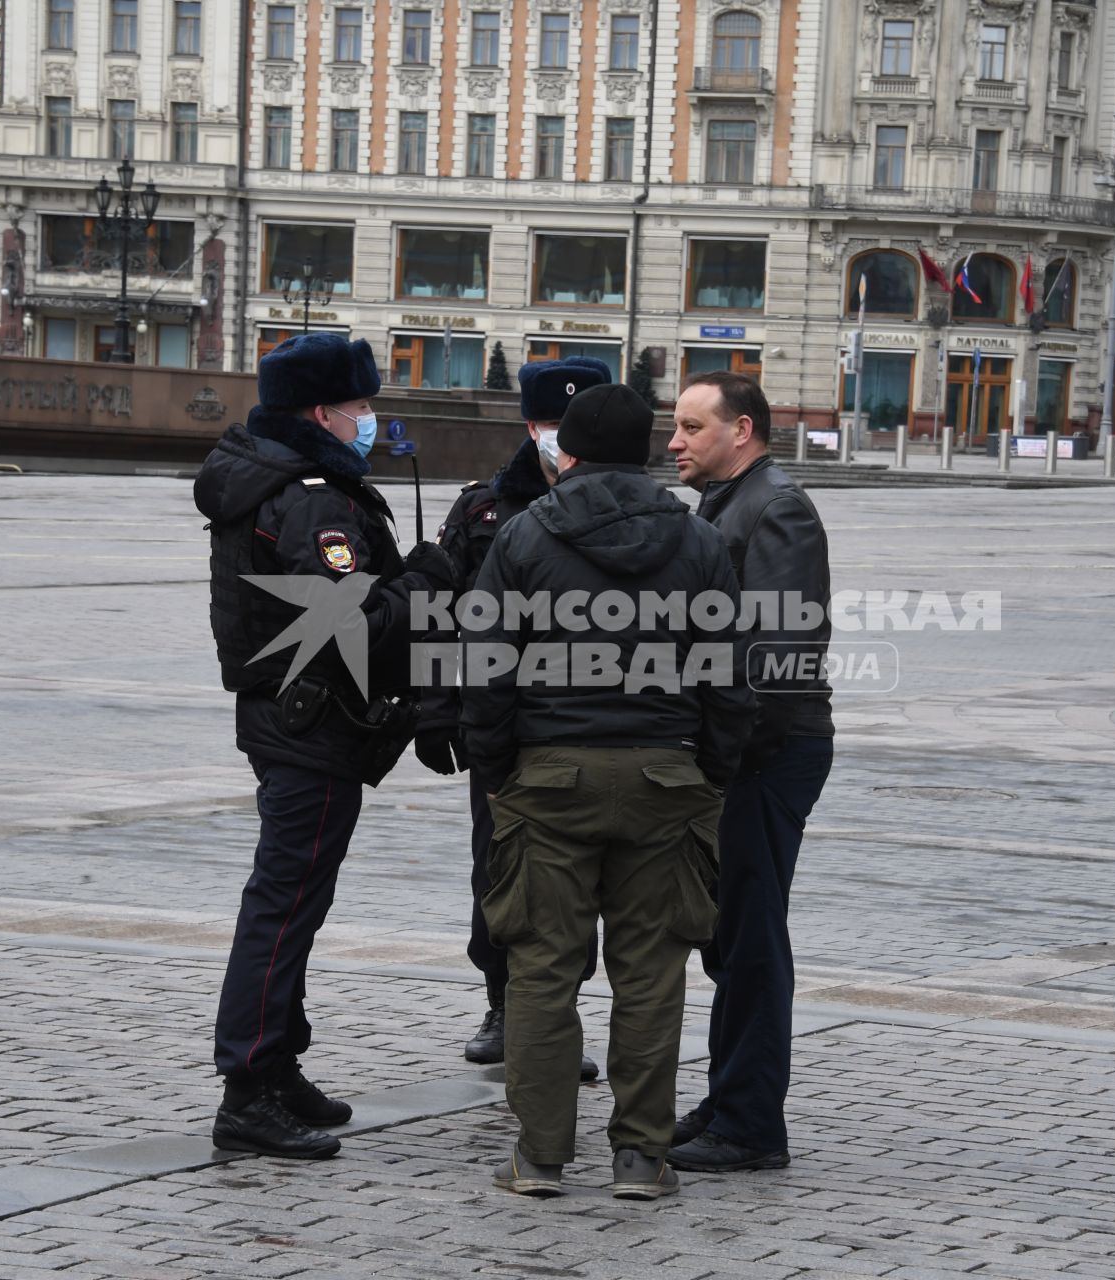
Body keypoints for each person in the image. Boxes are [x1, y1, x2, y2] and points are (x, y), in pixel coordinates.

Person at [461, 383, 756, 1200]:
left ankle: (542, 1157)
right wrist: (710, 773)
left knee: (542, 970)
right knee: (653, 973)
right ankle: (640, 1157)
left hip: (549, 773)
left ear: (573, 453)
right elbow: (730, 675)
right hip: (667, 774)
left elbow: (484, 668)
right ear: (647, 451)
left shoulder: (524, 533)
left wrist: (498, 772)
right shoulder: (696, 539)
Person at [194, 332, 456, 1161]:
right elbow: (347, 623)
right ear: (322, 412)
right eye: (362, 406)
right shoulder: (311, 496)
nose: (371, 421)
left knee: (293, 900)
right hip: (311, 725)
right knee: (282, 905)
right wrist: (422, 583)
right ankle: (249, 1090)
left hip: (295, 718)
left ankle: (277, 1067)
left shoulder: (283, 476)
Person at [415, 357, 612, 1078]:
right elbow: (441, 619)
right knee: (496, 871)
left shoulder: (626, 503)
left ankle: (557, 1015)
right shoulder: (481, 510)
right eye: (550, 424)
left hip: (582, 726)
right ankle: (501, 1003)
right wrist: (435, 713)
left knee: (577, 883)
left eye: (575, 423)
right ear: (530, 425)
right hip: (497, 729)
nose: (561, 438)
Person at [664, 371, 834, 1174]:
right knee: (730, 937)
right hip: (740, 750)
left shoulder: (777, 507)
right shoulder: (730, 503)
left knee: (753, 940)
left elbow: (780, 653)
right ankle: (730, 1096)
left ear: (743, 431)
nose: (675, 442)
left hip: (765, 754)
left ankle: (752, 1124)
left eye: (693, 427)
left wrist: (724, 752)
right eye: (676, 426)